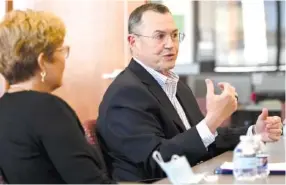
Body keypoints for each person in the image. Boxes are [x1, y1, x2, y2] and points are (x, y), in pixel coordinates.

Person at [96, 3, 283, 182]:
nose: (170, 44)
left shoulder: (175, 85)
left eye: (175, 35)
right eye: (159, 36)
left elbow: (203, 140)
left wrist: (254, 132)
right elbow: (157, 161)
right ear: (133, 42)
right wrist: (213, 120)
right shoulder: (126, 94)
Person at [0, 10, 113, 184]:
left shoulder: (4, 107)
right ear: (42, 61)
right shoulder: (48, 109)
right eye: (62, 50)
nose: (64, 59)